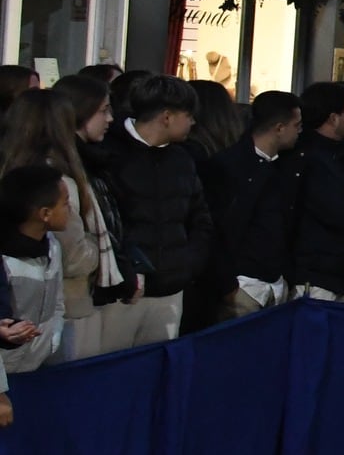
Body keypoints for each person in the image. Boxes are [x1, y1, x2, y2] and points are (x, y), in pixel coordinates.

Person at [98, 73, 213, 348]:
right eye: (189, 114)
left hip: (171, 289)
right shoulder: (108, 154)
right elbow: (106, 223)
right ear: (167, 116)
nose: (193, 122)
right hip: (121, 293)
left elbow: (200, 218)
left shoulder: (183, 158)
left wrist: (189, 263)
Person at [198, 90, 304, 323]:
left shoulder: (286, 168)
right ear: (279, 128)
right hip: (242, 286)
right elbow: (215, 230)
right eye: (296, 125)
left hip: (275, 284)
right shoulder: (226, 167)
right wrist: (228, 287)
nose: (300, 132)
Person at [44, 75, 124, 359]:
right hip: (66, 304)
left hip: (79, 300)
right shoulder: (59, 175)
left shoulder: (90, 163)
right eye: (103, 110)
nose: (111, 118)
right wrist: (96, 247)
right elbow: (71, 253)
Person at [291, 83, 344, 302]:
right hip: (314, 274)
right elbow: (342, 212)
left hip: (333, 272)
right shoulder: (312, 159)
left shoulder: (338, 156)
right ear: (333, 118)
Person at [0, 164, 70, 382]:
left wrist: (52, 339)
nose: (71, 210)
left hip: (36, 366)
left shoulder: (52, 246)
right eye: (66, 204)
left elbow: (57, 302)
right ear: (45, 214)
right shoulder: (5, 259)